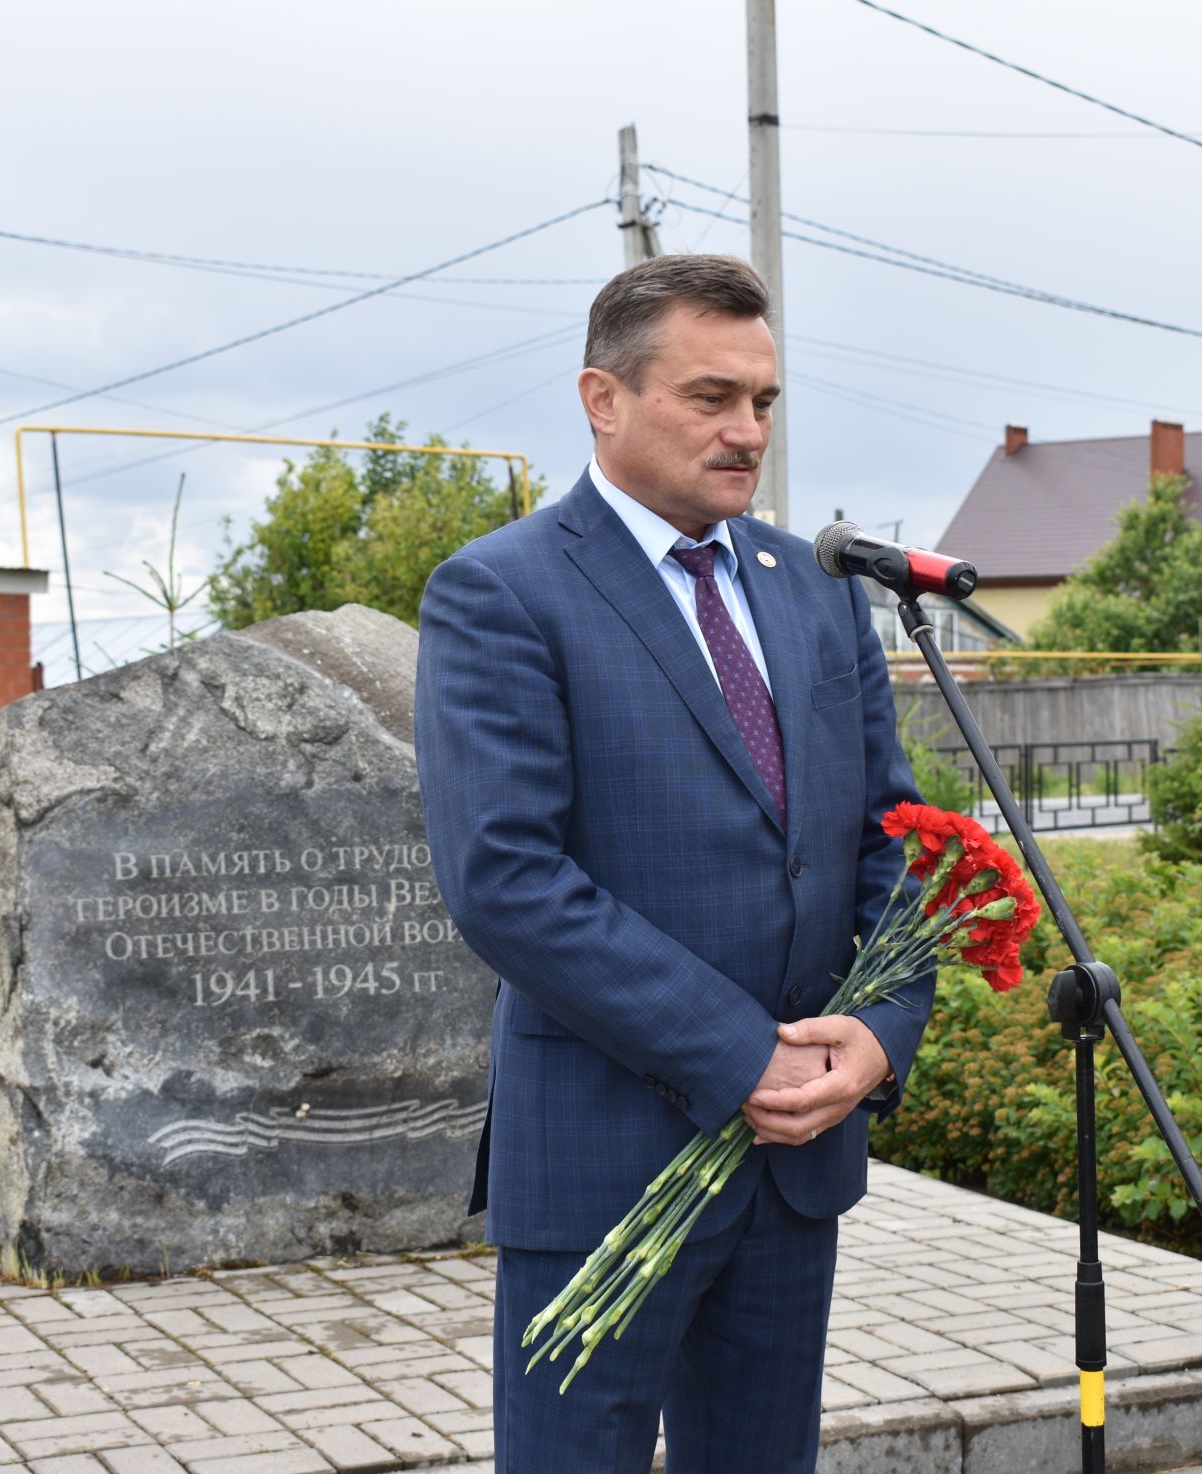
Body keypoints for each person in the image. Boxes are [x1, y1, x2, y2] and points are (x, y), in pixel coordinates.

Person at [413, 253, 932, 1474]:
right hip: (605, 1160)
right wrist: (736, 1051)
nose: (746, 430)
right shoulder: (503, 592)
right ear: (604, 398)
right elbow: (507, 878)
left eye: (763, 401)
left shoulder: (815, 594)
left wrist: (881, 1032)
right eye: (711, 397)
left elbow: (894, 841)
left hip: (797, 1156)